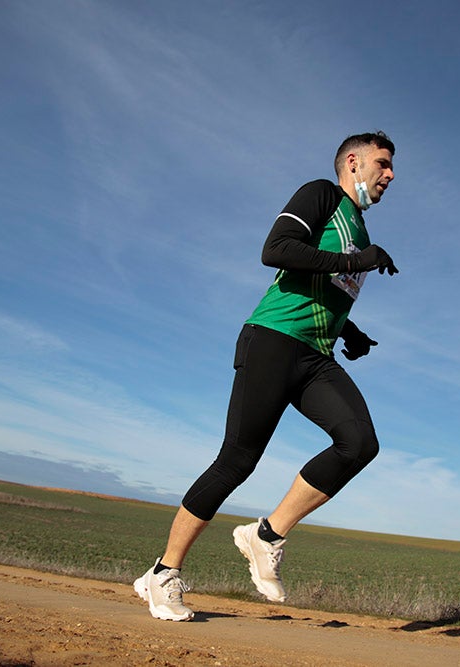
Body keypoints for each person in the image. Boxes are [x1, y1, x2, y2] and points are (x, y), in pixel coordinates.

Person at [134, 131, 399, 621]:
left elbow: (324, 284)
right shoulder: (322, 194)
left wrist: (351, 329)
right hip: (272, 340)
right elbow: (277, 250)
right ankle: (163, 573)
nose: (390, 175)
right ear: (354, 162)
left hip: (316, 356)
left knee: (359, 442)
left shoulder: (358, 228)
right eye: (382, 164)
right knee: (237, 461)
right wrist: (354, 261)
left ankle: (266, 534)